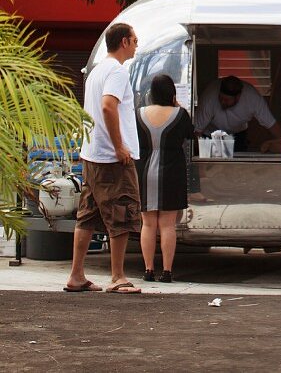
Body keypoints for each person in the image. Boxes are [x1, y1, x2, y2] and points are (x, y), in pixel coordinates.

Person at [64, 22, 142, 294]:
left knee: (88, 214)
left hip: (92, 153)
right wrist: (119, 147)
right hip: (110, 157)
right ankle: (118, 276)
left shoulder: (97, 71)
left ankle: (77, 275)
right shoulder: (118, 71)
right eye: (134, 39)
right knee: (121, 211)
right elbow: (109, 106)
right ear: (124, 42)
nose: (136, 44)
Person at [136, 72, 195, 282]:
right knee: (168, 225)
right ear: (172, 92)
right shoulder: (180, 114)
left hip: (144, 172)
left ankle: (148, 269)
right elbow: (191, 134)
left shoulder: (139, 113)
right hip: (171, 172)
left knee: (148, 223)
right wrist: (177, 105)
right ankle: (167, 271)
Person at [194, 75, 281, 153]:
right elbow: (197, 132)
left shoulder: (252, 98)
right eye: (220, 98)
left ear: (238, 97)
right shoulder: (209, 99)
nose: (222, 102)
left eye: (226, 100)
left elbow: (271, 124)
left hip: (238, 134)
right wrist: (199, 154)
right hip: (211, 134)